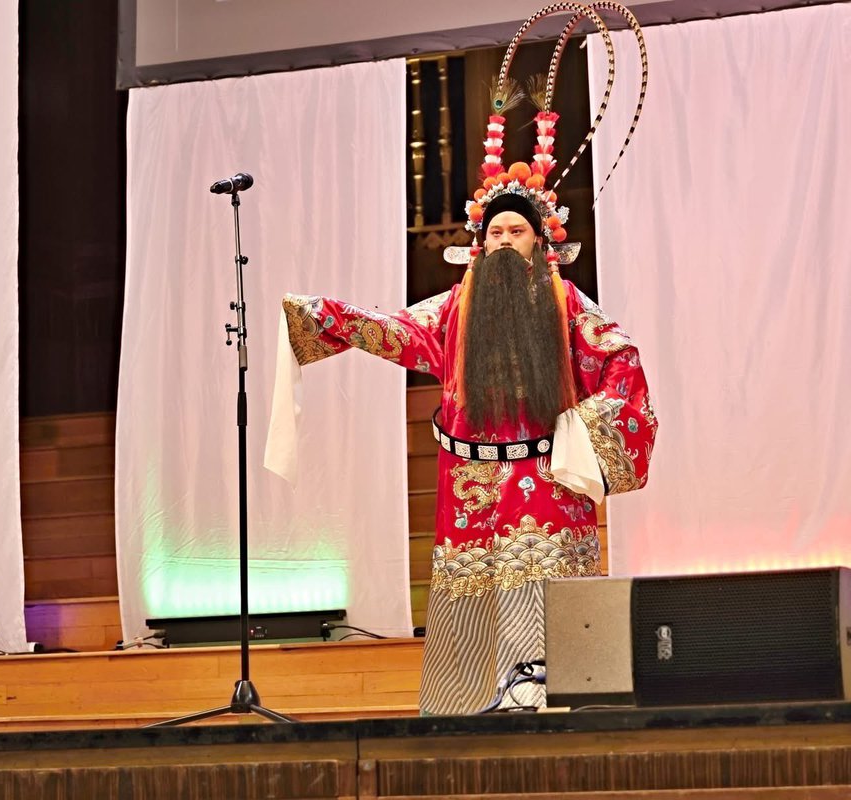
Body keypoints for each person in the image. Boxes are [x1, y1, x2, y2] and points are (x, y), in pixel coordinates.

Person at [278, 2, 653, 715]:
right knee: (472, 595)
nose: (506, 239)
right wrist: (320, 317)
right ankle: (470, 705)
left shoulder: (568, 303)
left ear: (542, 241)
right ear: (478, 242)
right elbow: (390, 328)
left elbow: (622, 362)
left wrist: (589, 426)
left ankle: (552, 694)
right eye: (496, 230)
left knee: (543, 589)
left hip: (545, 477)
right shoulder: (454, 310)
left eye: (518, 229)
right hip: (471, 482)